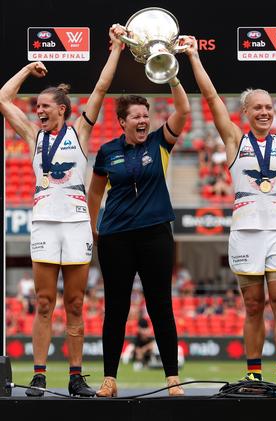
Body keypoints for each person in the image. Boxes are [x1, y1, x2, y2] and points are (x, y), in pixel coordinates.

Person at [184, 35, 276, 393]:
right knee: (254, 305)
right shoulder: (234, 141)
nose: (264, 112)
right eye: (257, 107)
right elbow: (211, 99)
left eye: (269, 108)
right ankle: (254, 373)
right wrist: (195, 57)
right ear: (245, 112)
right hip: (244, 234)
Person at [0, 25, 123, 397]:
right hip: (44, 225)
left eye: (44, 107)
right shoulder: (33, 136)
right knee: (43, 302)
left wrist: (115, 49)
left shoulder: (80, 133)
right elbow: (3, 99)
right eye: (36, 107)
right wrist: (27, 67)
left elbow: (100, 89)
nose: (38, 111)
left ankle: (75, 376)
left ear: (62, 110)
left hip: (75, 225)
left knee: (74, 303)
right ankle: (38, 376)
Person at [87, 34, 190, 396]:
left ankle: (172, 379)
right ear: (122, 121)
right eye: (137, 116)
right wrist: (92, 230)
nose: (144, 120)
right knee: (115, 308)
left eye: (146, 115)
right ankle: (109, 379)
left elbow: (183, 112)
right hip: (115, 237)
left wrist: (172, 74)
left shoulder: (160, 141)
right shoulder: (106, 152)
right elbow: (95, 193)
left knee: (160, 304)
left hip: (155, 234)